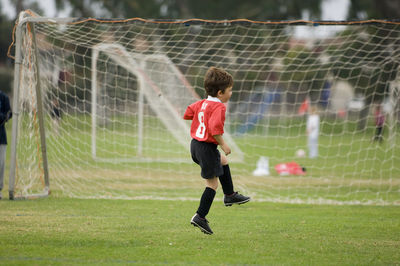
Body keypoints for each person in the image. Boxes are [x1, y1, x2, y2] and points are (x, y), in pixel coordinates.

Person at [183, 67, 250, 235]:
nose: (231, 93)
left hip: (195, 146)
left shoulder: (202, 103)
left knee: (223, 161)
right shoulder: (219, 107)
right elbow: (214, 129)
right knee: (212, 184)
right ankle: (200, 216)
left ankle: (229, 195)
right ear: (220, 92)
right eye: (230, 90)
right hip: (206, 147)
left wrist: (202, 115)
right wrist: (224, 145)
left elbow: (188, 113)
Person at [0, 90, 12, 200]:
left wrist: (3, 117)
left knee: (1, 164)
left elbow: (9, 113)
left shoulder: (3, 97)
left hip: (1, 137)